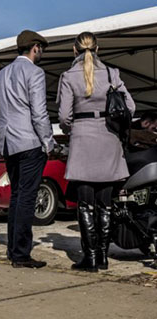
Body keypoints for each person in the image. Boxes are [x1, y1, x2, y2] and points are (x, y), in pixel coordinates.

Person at [57, 31, 135, 272]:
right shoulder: (113, 74)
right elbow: (130, 107)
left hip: (82, 139)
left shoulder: (69, 76)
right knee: (106, 203)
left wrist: (73, 127)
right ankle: (102, 256)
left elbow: (63, 116)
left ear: (74, 50)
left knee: (85, 204)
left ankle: (89, 257)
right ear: (98, 49)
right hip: (108, 139)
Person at [0, 30, 54, 269]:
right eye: (42, 49)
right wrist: (48, 141)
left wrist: (3, 138)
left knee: (16, 196)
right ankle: (21, 254)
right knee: (27, 197)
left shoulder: (0, 75)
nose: (42, 53)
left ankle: (13, 249)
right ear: (35, 47)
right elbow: (39, 112)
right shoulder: (35, 73)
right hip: (30, 143)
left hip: (9, 144)